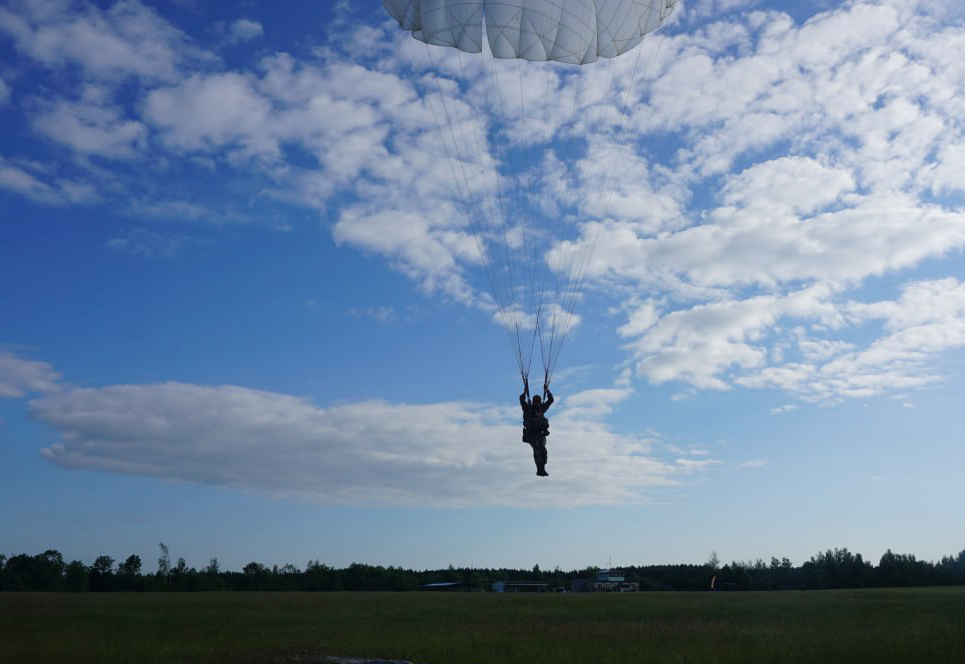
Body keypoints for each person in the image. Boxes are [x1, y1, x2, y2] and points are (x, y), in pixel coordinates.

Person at [519, 376, 554, 477]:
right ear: (534, 402)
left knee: (543, 449)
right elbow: (521, 400)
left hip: (540, 433)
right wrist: (524, 393)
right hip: (531, 433)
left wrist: (547, 390)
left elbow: (551, 400)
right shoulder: (528, 408)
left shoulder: (542, 408)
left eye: (539, 403)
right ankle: (538, 469)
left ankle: (543, 468)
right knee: (537, 448)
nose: (538, 405)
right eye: (536, 403)